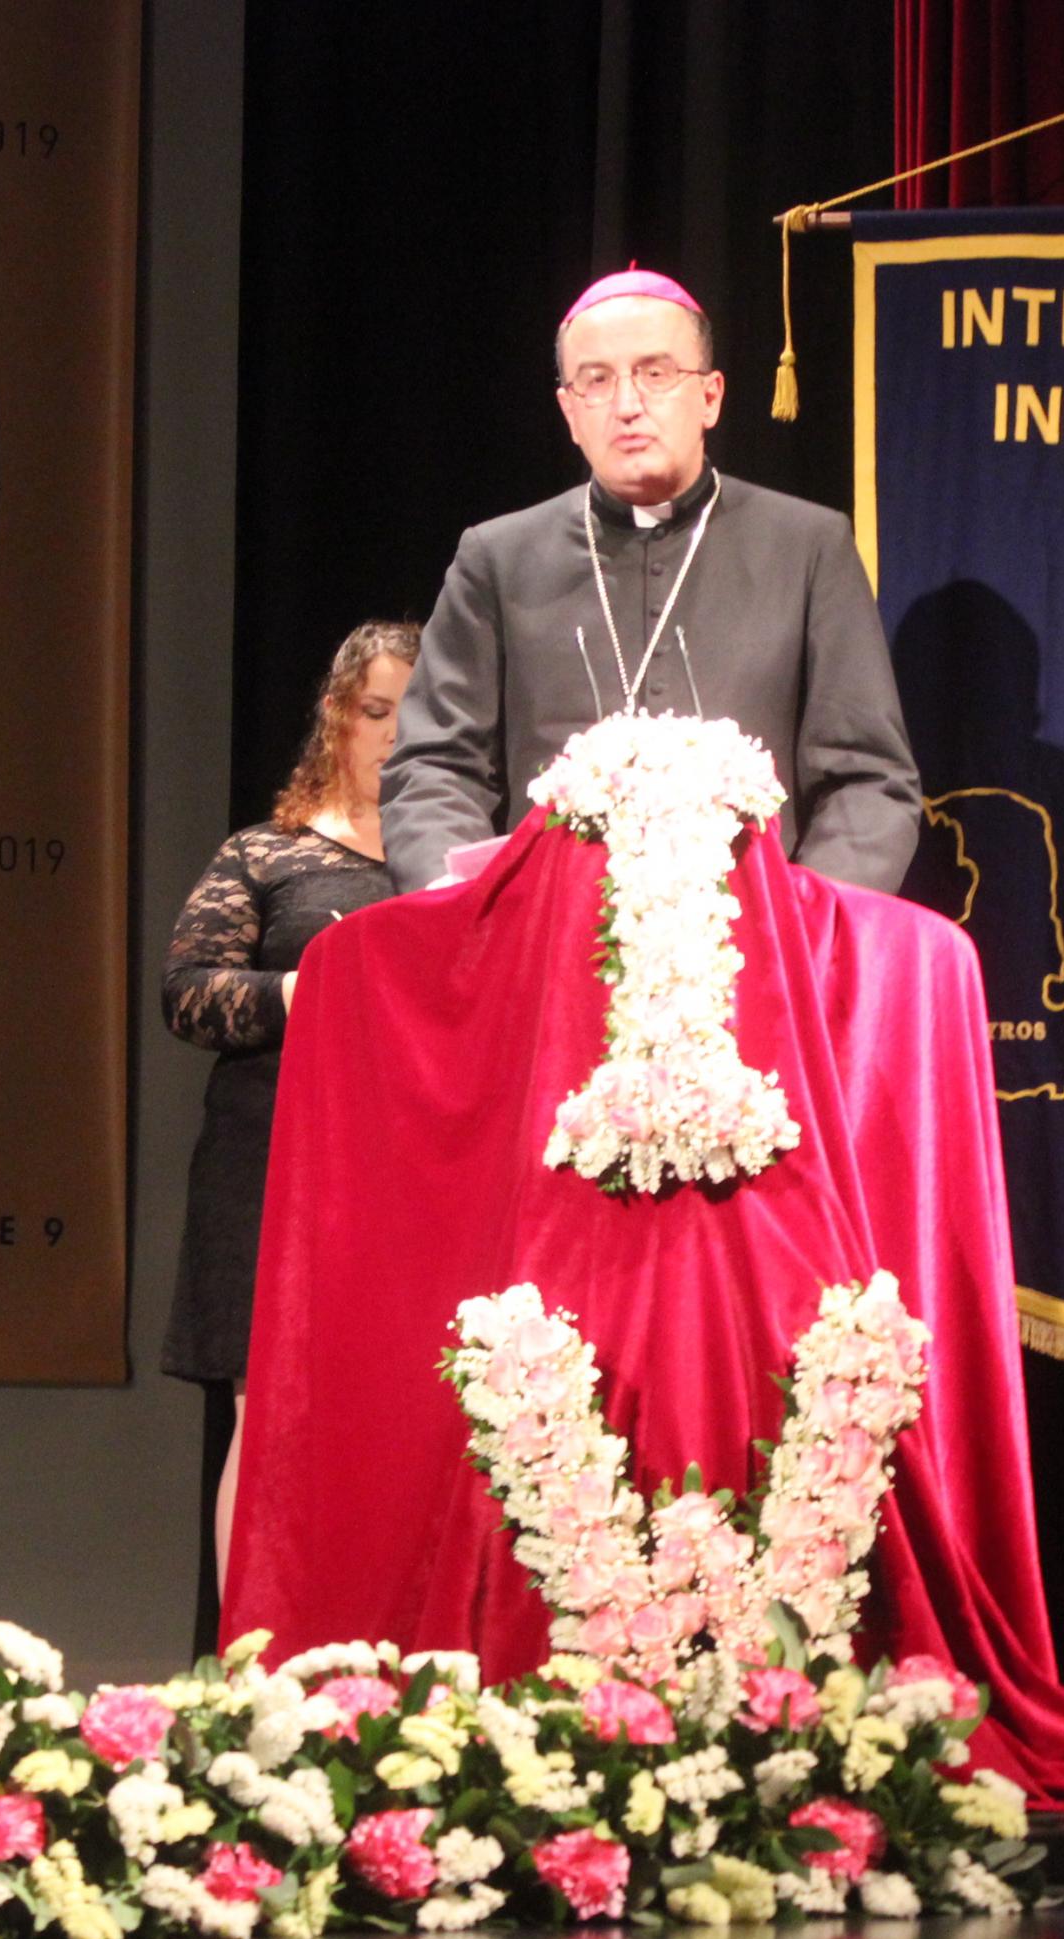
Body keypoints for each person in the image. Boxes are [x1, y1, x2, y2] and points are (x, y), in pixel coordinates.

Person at [383, 267, 923, 894]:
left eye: (656, 373)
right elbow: (434, 768)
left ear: (710, 397)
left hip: (755, 932)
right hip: (542, 932)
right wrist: (462, 905)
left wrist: (803, 918)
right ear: (569, 412)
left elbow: (868, 780)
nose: (627, 406)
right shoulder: (498, 558)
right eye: (596, 380)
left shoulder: (808, 547)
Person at [160, 619, 417, 1600]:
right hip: (267, 1159)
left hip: (404, 1168)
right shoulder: (268, 854)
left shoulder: (456, 866)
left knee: (400, 1416)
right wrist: (309, 994)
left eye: (416, 715)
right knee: (266, 1412)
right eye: (376, 710)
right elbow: (188, 992)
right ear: (335, 716)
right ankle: (251, 1659)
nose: (394, 734)